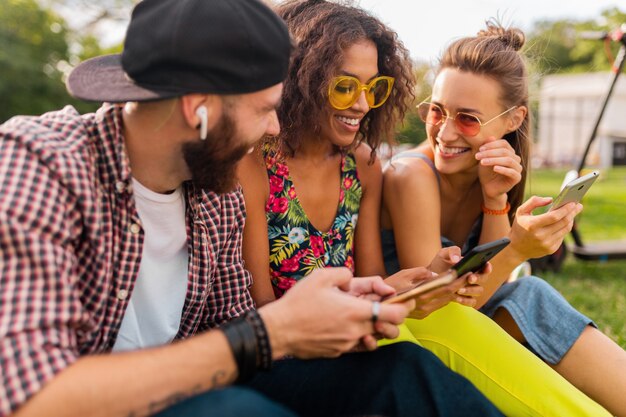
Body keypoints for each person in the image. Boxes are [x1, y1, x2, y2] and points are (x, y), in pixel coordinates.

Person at [0, 0, 513, 416]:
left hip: (197, 388)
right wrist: (273, 330)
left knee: (403, 373)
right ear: (197, 107)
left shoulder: (213, 193)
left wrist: (341, 303)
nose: (274, 129)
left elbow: (238, 328)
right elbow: (31, 396)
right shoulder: (42, 165)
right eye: (265, 110)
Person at [238, 1, 611, 416]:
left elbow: (375, 280)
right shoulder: (254, 165)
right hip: (293, 352)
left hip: (361, 330)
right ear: (299, 79)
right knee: (438, 334)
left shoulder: (360, 164)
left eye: (373, 88)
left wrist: (427, 280)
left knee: (484, 312)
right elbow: (262, 311)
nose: (362, 104)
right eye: (345, 87)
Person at [381, 20, 626, 416]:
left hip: (464, 324)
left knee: (532, 296)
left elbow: (487, 292)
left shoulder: (490, 173)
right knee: (529, 297)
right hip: (417, 333)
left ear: (513, 120)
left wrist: (495, 199)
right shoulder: (411, 176)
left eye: (468, 119)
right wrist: (518, 250)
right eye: (438, 111)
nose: (445, 132)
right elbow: (441, 313)